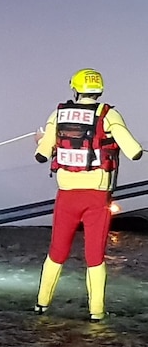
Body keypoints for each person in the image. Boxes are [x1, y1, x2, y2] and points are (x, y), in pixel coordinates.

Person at [33, 68, 143, 322]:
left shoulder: (57, 114)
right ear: (100, 90)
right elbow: (134, 151)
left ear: (75, 89)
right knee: (95, 257)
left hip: (67, 196)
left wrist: (41, 139)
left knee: (56, 252)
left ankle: (41, 304)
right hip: (97, 198)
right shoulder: (109, 115)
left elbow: (41, 155)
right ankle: (97, 313)